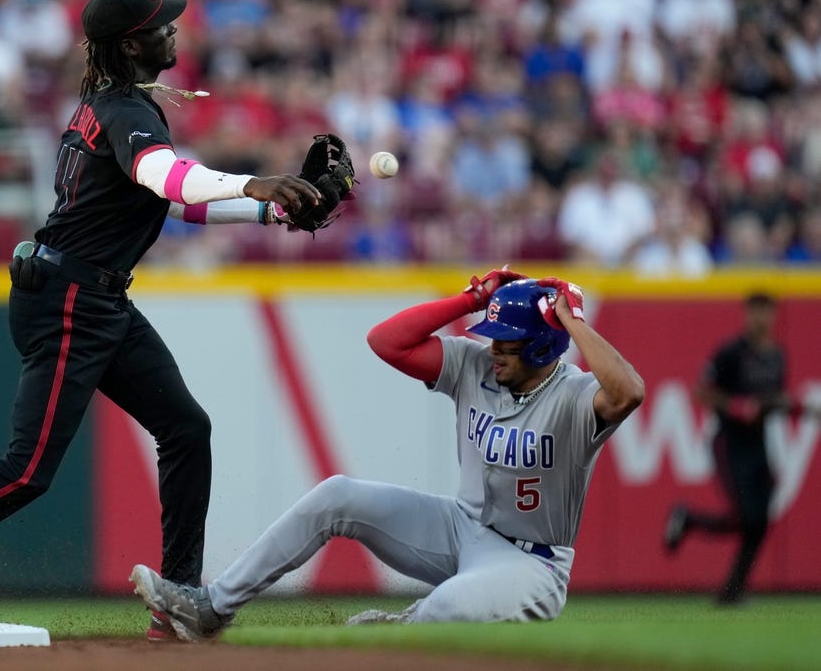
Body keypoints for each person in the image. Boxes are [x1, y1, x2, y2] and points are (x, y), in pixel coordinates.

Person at [0, 0, 325, 646]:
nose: (173, 30)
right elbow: (168, 180)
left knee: (185, 428)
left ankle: (176, 599)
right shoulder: (123, 110)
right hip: (68, 300)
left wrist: (273, 207)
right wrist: (253, 182)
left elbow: (176, 199)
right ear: (131, 42)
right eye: (160, 25)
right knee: (28, 470)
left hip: (93, 295)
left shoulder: (118, 104)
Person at [131, 270, 645, 639]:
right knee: (339, 496)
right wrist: (470, 299)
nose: (492, 348)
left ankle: (402, 632)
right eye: (492, 339)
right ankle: (212, 608)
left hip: (531, 562)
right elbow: (387, 342)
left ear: (540, 346)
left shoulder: (575, 395)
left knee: (445, 607)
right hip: (460, 528)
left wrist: (572, 322)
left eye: (507, 342)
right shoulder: (476, 365)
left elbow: (629, 392)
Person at [663, 293, 794, 605]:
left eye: (766, 312)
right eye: (755, 311)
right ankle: (689, 521)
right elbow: (701, 393)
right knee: (747, 516)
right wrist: (734, 405)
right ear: (747, 315)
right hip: (730, 443)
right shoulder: (732, 353)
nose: (761, 318)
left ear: (773, 316)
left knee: (757, 522)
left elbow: (773, 400)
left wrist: (788, 406)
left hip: (759, 444)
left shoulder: (777, 356)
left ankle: (732, 590)